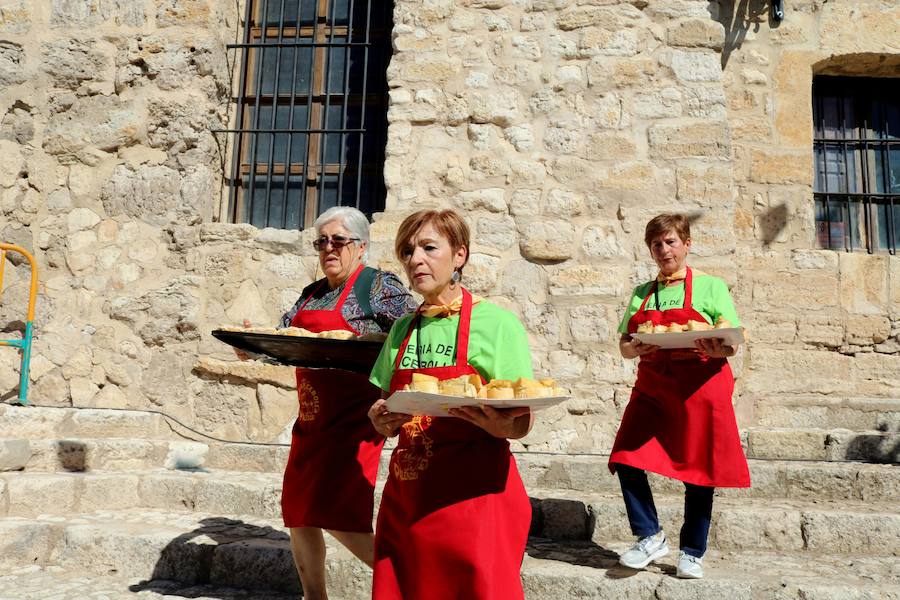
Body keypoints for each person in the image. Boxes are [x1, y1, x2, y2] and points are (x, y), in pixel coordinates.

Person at [367, 209, 535, 600]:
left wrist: (499, 425)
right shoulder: (402, 328)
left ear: (459, 255)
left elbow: (521, 422)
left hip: (473, 498)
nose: (416, 260)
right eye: (408, 251)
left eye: (428, 247)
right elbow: (383, 408)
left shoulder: (496, 324)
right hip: (408, 497)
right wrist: (380, 420)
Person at [272, 206, 415, 599]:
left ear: (361, 245)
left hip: (354, 422)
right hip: (311, 422)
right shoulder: (312, 293)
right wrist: (254, 348)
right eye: (322, 242)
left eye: (338, 240)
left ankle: (411, 581)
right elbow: (283, 337)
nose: (328, 249)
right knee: (299, 514)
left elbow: (411, 330)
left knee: (339, 514)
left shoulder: (378, 286)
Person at [609, 213, 750, 579]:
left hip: (701, 386)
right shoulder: (642, 293)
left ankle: (693, 551)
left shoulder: (711, 287)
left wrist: (715, 347)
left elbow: (730, 344)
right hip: (653, 385)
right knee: (625, 456)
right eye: (656, 244)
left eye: (670, 242)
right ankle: (649, 535)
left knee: (700, 470)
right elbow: (625, 344)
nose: (663, 249)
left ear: (686, 244)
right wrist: (636, 350)